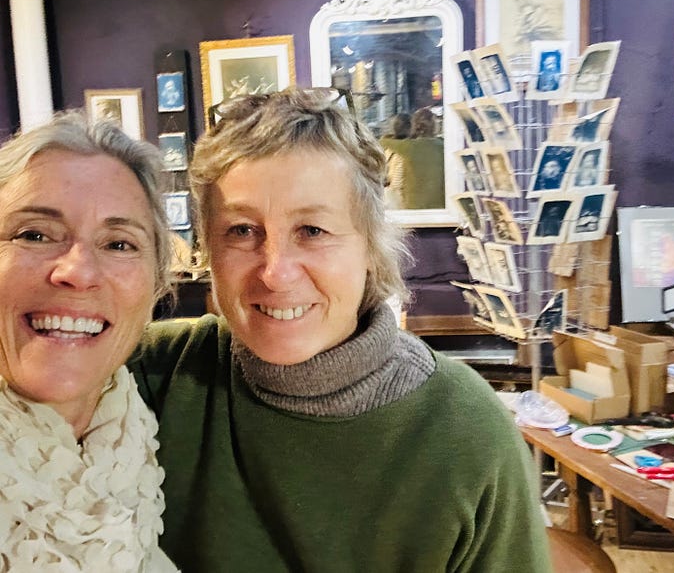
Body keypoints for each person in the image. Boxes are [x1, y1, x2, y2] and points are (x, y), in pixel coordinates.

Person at [128, 87, 552, 571]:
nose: (276, 272)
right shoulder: (159, 375)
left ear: (370, 246)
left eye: (312, 231)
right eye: (242, 231)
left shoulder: (469, 435)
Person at [0, 111, 177, 571]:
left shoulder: (140, 444)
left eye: (119, 244)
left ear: (156, 285)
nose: (77, 272)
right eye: (34, 235)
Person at [382, 108, 445, 209]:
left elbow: (383, 141)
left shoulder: (408, 147)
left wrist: (406, 134)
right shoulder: (443, 146)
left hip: (413, 207)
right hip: (440, 206)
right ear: (434, 126)